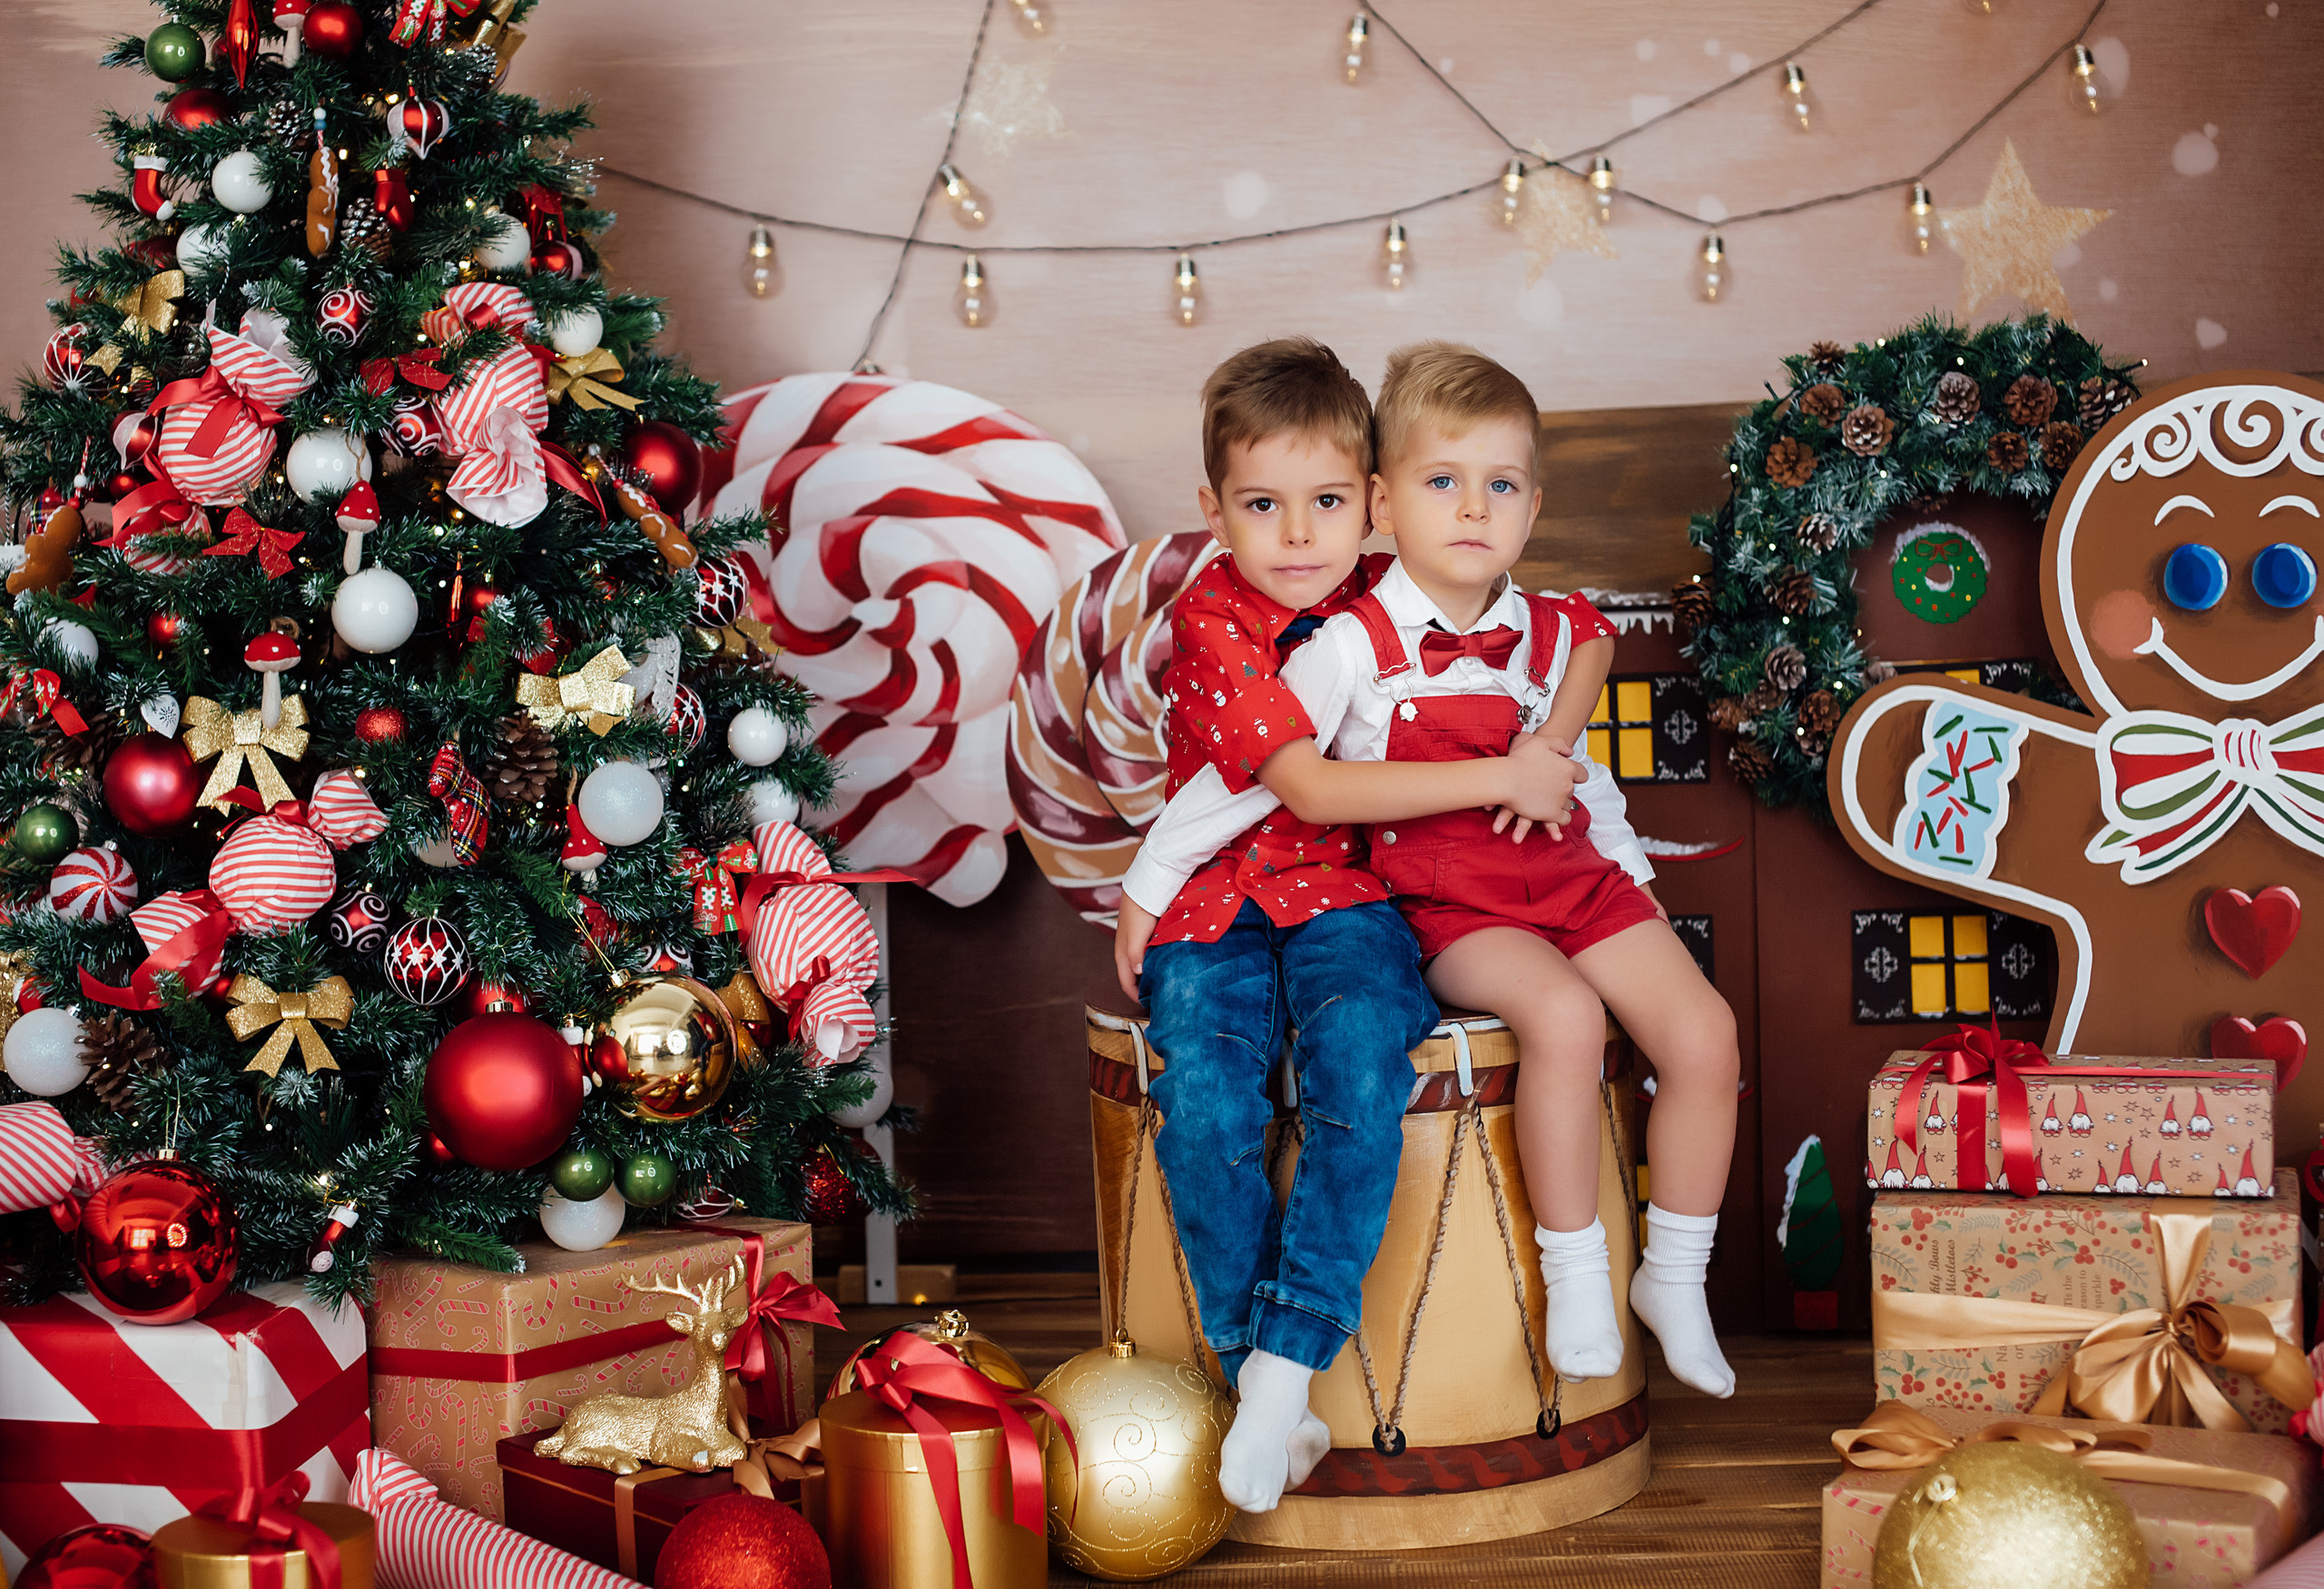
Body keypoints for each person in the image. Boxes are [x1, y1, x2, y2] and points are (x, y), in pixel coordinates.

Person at [1130, 342, 1741, 1402]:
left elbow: (1585, 683)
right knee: (1559, 1018)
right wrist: (1149, 884)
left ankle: (1675, 1275)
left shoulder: (1532, 622)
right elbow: (1264, 784)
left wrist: (1603, 828)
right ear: (1387, 502)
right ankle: (1575, 1274)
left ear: (1532, 506)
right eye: (1442, 482)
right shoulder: (1347, 637)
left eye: (1499, 487)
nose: (1470, 509)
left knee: (1705, 1032)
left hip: (1560, 877)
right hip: (1443, 900)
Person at [1112, 337, 1580, 1515]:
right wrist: (1146, 885)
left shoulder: (1393, 596)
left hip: (1356, 896)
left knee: (1363, 1074)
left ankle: (1285, 1364)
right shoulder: (1210, 621)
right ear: (1213, 510)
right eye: (1261, 505)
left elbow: (1555, 633)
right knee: (1205, 1106)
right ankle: (1255, 1368)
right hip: (1215, 901)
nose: (1297, 535)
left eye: (1326, 503)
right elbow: (1301, 786)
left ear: (1371, 502)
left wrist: (1554, 755)